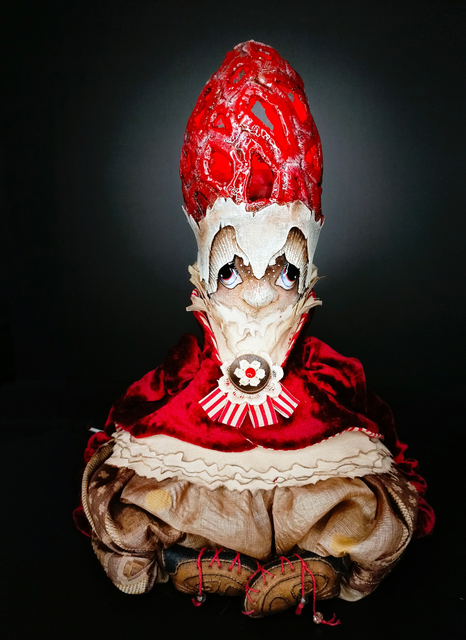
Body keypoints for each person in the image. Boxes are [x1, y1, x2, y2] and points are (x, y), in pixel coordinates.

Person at [75, 41, 434, 624]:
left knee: (348, 490)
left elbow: (358, 408)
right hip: (204, 412)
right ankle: (185, 557)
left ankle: (320, 563)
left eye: (285, 272)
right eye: (233, 271)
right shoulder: (189, 366)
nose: (260, 292)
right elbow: (150, 402)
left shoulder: (322, 371)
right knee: (155, 487)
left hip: (299, 411)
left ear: (309, 274)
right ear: (202, 275)